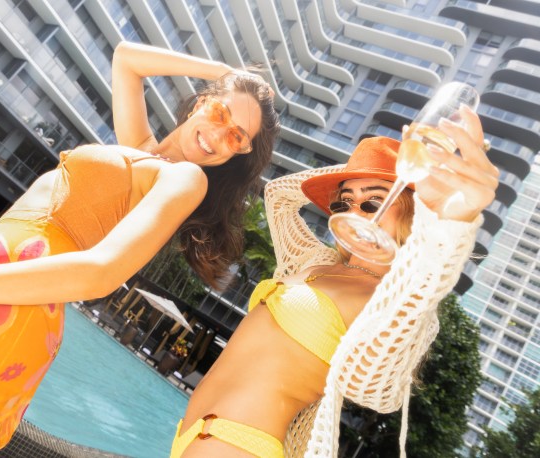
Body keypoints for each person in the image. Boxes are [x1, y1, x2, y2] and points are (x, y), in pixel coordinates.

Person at [0, 41, 279, 457]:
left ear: (238, 152)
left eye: (237, 137)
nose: (220, 134)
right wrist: (226, 75)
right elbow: (127, 59)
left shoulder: (186, 179)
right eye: (220, 112)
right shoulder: (143, 154)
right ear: (202, 101)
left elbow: (101, 272)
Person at [171, 106, 499, 458]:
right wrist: (367, 166)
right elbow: (279, 195)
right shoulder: (314, 261)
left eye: (372, 203)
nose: (353, 213)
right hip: (189, 435)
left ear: (412, 212)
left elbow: (378, 389)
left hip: (240, 445)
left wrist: (453, 214)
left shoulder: (391, 299)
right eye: (344, 203)